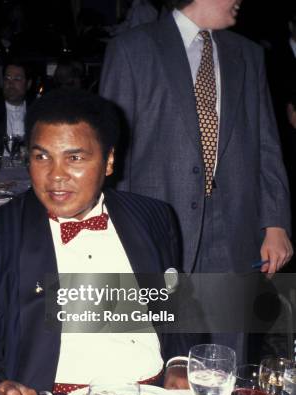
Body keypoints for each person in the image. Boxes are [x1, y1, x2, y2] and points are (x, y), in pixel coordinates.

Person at [0, 89, 191, 395]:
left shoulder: (154, 218)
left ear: (109, 161)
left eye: (75, 158)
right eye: (42, 157)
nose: (56, 175)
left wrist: (180, 362)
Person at [99, 0, 293, 361]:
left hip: (233, 231)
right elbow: (109, 153)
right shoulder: (132, 49)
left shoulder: (248, 55)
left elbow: (267, 143)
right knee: (155, 354)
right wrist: (113, 231)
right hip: (156, 229)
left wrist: (276, 222)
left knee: (227, 357)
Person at [0, 60, 32, 138]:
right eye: (7, 78)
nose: (10, 83)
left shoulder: (36, 111)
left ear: (28, 84)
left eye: (17, 79)